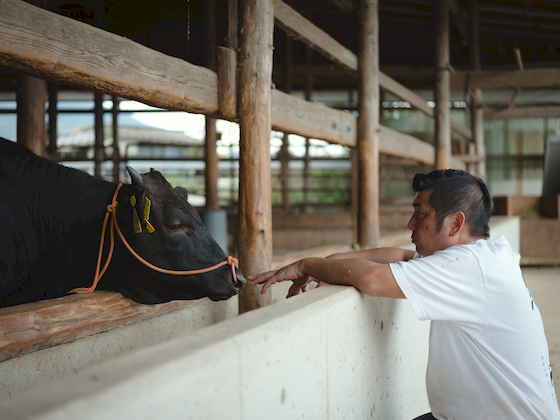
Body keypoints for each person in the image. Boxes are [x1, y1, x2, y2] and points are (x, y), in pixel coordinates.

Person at [249, 169, 560, 420]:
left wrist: (305, 263)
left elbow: (372, 278)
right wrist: (327, 264)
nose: (410, 223)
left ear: (455, 222)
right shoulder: (486, 257)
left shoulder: (468, 266)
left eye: (419, 213)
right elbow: (400, 256)